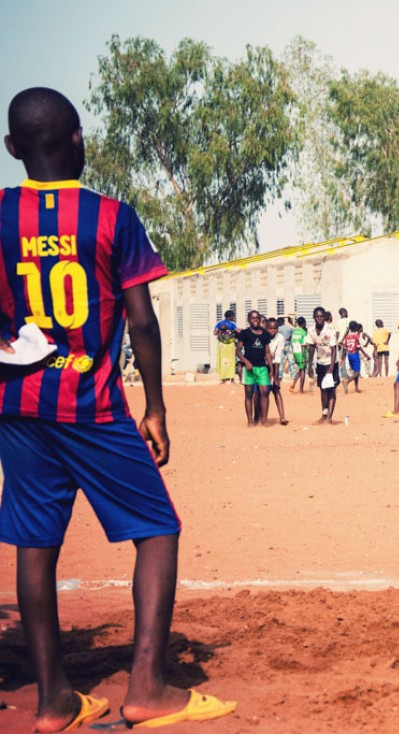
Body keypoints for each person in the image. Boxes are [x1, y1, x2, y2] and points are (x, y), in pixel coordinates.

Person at [0, 87, 235, 730]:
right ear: (79, 139)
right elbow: (141, 320)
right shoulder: (110, 216)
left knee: (34, 545)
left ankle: (54, 703)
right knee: (157, 531)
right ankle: (148, 690)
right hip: (90, 404)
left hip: (17, 405)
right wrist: (154, 408)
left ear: (12, 149)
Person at [235, 310, 274, 426]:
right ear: (248, 320)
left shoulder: (265, 334)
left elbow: (267, 352)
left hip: (262, 367)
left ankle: (264, 419)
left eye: (257, 318)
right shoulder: (244, 333)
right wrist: (246, 362)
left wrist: (271, 368)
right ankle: (250, 421)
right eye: (252, 318)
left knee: (265, 392)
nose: (255, 320)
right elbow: (237, 351)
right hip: (249, 369)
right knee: (249, 394)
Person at [306, 306, 339, 424]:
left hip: (331, 363)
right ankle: (324, 415)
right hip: (320, 363)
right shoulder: (311, 331)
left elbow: (334, 349)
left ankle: (329, 417)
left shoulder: (330, 330)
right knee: (322, 389)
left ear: (325, 317)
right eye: (317, 317)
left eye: (321, 316)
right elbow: (311, 348)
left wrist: (331, 368)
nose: (319, 318)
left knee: (331, 390)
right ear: (314, 318)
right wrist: (309, 365)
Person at [264, 318, 289, 425]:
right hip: (262, 365)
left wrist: (275, 376)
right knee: (262, 392)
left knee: (276, 389)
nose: (273, 330)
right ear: (266, 328)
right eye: (270, 328)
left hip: (274, 364)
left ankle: (282, 417)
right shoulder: (262, 336)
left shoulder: (280, 337)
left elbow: (277, 356)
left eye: (275, 328)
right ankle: (261, 417)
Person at [213, 309, 238, 382]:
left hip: (222, 345)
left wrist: (222, 332)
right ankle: (232, 380)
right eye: (233, 316)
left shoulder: (219, 323)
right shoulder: (232, 324)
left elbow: (215, 333)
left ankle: (223, 379)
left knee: (222, 361)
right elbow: (238, 331)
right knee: (232, 360)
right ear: (230, 317)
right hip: (230, 344)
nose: (233, 317)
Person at [289, 316, 309, 393]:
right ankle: (301, 389)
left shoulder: (294, 332)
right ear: (304, 323)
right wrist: (304, 357)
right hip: (302, 353)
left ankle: (293, 383)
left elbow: (292, 344)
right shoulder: (303, 333)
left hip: (296, 353)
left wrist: (294, 355)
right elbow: (303, 346)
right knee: (303, 371)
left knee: (300, 370)